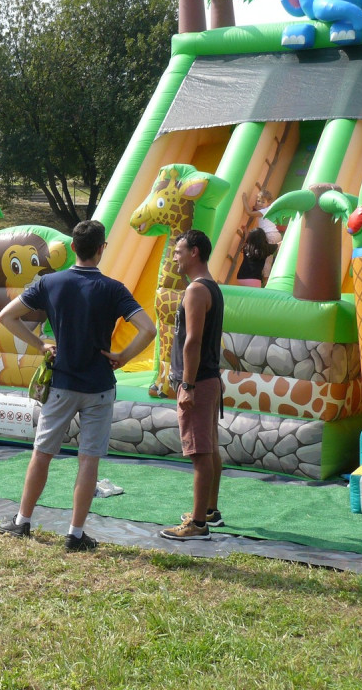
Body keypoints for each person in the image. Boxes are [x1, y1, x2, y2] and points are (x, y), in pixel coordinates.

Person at [0, 220, 157, 551]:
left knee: (42, 454)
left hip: (62, 384)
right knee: (89, 460)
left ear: (73, 248)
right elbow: (148, 329)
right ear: (102, 249)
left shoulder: (50, 282)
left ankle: (22, 521)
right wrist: (123, 357)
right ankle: (75, 533)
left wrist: (40, 344)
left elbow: (6, 316)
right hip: (99, 385)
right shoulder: (114, 289)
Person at [160, 229, 226, 540]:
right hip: (209, 379)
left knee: (200, 452)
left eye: (179, 250)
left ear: (195, 252)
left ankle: (197, 524)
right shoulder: (209, 287)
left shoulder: (197, 291)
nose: (175, 256)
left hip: (198, 382)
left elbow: (193, 340)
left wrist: (187, 383)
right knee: (210, 447)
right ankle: (210, 511)